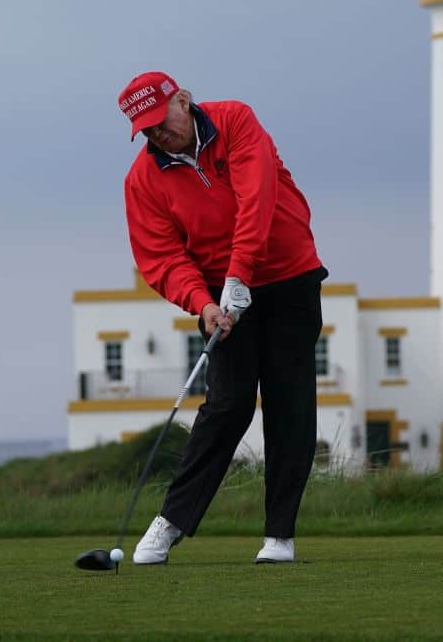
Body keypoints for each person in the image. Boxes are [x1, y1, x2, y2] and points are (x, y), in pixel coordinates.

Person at [118, 71, 327, 565]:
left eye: (160, 122)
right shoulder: (143, 179)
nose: (156, 135)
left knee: (289, 401)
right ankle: (169, 524)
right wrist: (204, 303)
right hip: (220, 294)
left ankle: (280, 536)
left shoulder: (236, 121)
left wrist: (240, 274)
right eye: (145, 130)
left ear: (184, 101)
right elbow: (161, 257)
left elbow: (258, 200)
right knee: (227, 404)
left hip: (289, 276)